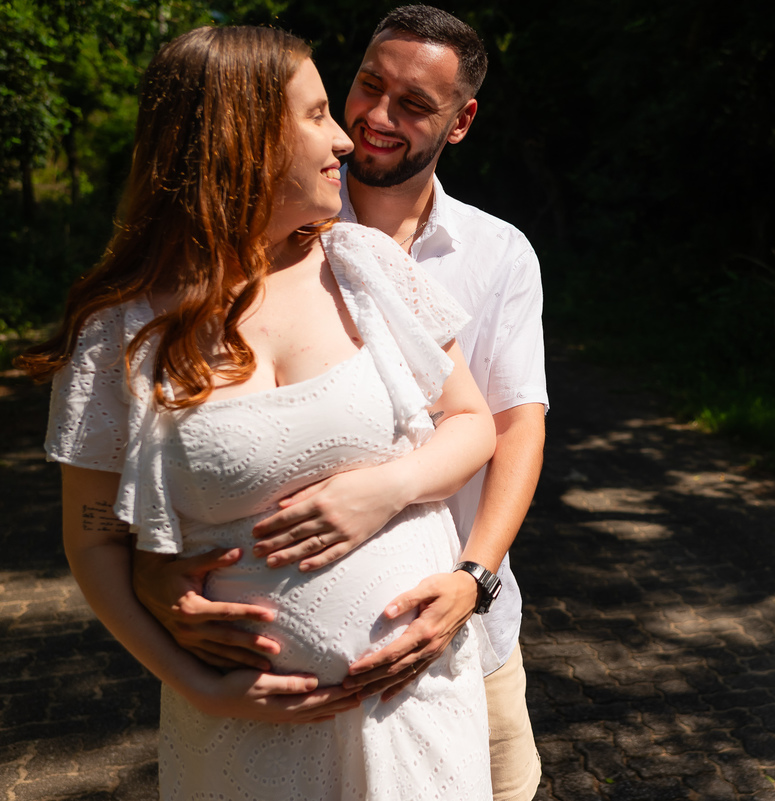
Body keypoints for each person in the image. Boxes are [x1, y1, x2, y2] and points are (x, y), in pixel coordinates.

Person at [19, 25, 497, 800]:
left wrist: (388, 487)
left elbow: (472, 420)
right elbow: (94, 538)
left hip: (418, 716)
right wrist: (194, 682)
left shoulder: (364, 267)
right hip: (246, 738)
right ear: (238, 139)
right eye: (315, 116)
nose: (344, 138)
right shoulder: (121, 329)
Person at [133, 7, 549, 800]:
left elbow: (512, 426)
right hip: (262, 713)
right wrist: (151, 573)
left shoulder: (498, 253)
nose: (374, 120)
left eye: (414, 105)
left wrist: (473, 577)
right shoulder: (291, 215)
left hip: (464, 624)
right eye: (367, 86)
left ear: (461, 122)